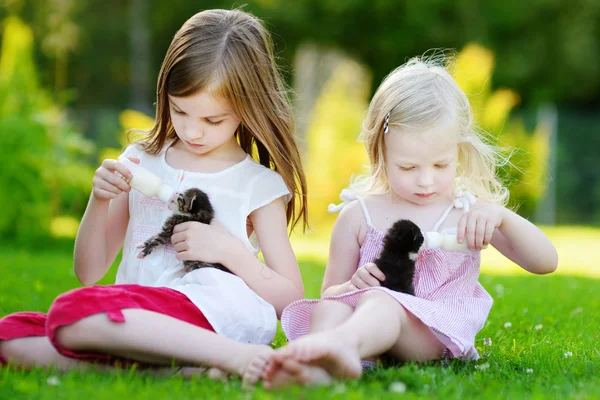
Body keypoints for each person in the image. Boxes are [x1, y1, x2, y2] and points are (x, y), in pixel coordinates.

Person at [0, 9, 307, 386]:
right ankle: (186, 369)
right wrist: (99, 201)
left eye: (213, 120)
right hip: (134, 315)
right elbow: (89, 272)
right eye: (180, 110)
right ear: (165, 94)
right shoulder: (141, 160)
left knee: (71, 312)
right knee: (12, 334)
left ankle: (241, 356)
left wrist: (228, 250)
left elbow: (290, 300)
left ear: (247, 108)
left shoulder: (257, 184)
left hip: (215, 314)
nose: (193, 131)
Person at [259, 56, 558, 388]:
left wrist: (500, 217)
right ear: (380, 152)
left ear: (459, 151)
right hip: (369, 325)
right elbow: (331, 292)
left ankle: (339, 347)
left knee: (381, 300)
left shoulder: (467, 213)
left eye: (440, 165)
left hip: (431, 335)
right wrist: (351, 286)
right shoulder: (359, 215)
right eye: (408, 167)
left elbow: (545, 261)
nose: (425, 181)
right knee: (328, 311)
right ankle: (312, 368)